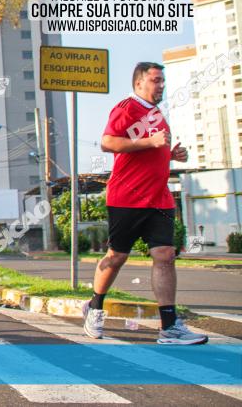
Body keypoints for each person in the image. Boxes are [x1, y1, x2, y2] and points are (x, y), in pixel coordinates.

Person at [83, 62, 207, 344]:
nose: (161, 85)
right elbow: (108, 142)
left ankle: (169, 326)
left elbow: (152, 149)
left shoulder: (157, 113)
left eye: (163, 80)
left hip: (159, 198)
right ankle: (94, 306)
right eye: (156, 80)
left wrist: (172, 154)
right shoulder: (127, 108)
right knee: (117, 256)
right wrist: (150, 142)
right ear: (139, 83)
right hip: (127, 197)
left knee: (165, 255)